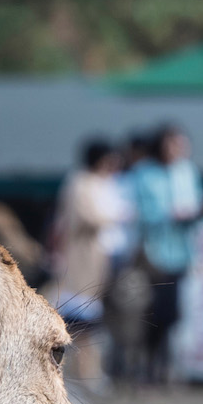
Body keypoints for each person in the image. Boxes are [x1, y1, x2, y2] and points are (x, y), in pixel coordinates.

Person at [47, 137, 133, 388]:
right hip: (79, 259)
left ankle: (88, 371)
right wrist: (117, 215)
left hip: (98, 260)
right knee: (77, 317)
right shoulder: (80, 182)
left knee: (88, 321)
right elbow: (87, 217)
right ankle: (79, 372)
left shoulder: (104, 183)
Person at [130, 124, 203, 384]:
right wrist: (168, 214)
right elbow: (137, 210)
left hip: (181, 251)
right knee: (154, 309)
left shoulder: (187, 171)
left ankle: (157, 362)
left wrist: (193, 212)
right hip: (153, 250)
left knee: (171, 311)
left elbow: (198, 201)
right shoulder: (144, 173)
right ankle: (148, 363)